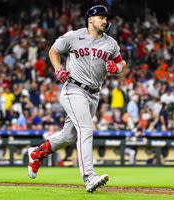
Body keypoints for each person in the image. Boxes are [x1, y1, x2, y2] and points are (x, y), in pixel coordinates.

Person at [27, 5, 126, 192]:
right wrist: (58, 69)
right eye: (101, 17)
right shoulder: (74, 36)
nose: (105, 20)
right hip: (73, 89)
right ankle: (89, 176)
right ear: (90, 19)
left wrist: (117, 68)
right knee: (86, 129)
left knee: (68, 136)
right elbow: (53, 51)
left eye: (106, 18)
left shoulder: (110, 43)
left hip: (94, 94)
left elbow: (122, 63)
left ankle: (37, 153)